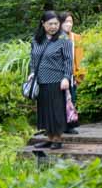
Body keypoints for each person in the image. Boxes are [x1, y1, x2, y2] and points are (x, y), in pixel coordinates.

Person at [27, 11, 73, 149]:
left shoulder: (63, 39)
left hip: (57, 81)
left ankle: (57, 140)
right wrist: (32, 72)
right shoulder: (36, 40)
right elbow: (33, 59)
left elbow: (68, 61)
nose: (53, 26)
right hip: (40, 81)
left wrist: (66, 77)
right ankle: (49, 138)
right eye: (50, 24)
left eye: (56, 24)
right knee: (45, 111)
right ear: (43, 24)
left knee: (56, 111)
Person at [60, 12, 84, 132]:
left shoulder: (76, 38)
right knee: (59, 101)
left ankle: (70, 125)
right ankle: (59, 125)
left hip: (71, 75)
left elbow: (80, 58)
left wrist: (80, 75)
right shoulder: (55, 37)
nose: (69, 24)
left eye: (71, 21)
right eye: (66, 21)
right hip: (57, 75)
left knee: (71, 99)